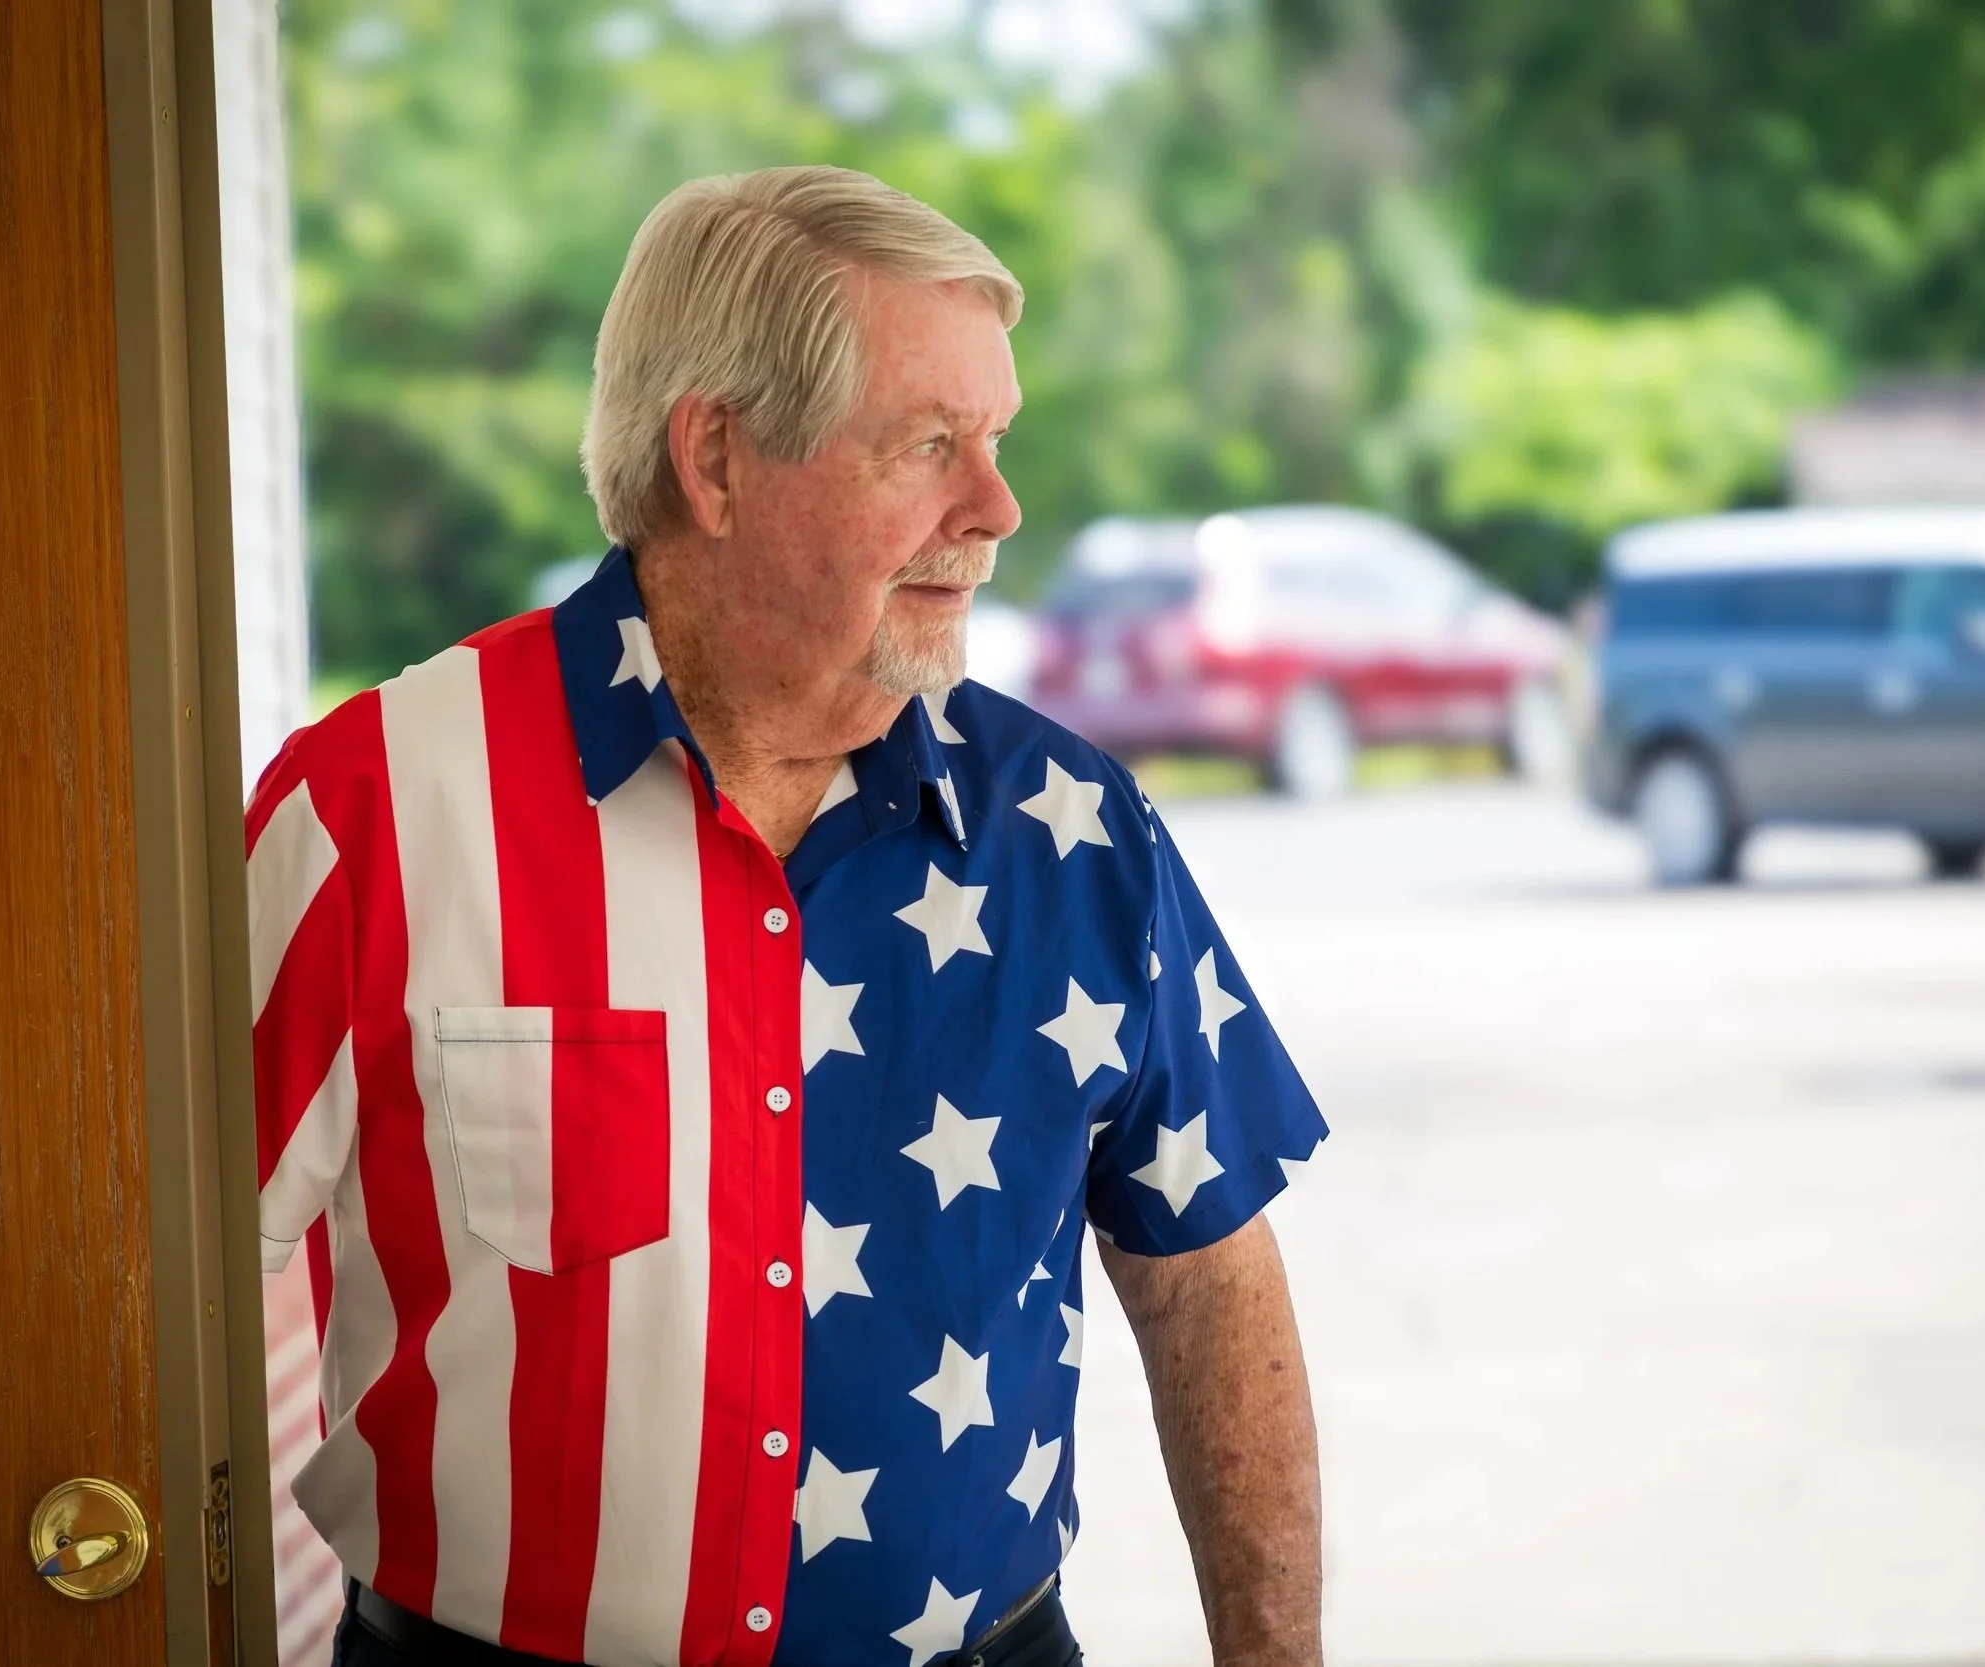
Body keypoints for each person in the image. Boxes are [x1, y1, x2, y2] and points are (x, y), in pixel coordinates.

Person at [247, 165, 1327, 1667]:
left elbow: (1210, 1284)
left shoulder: (1074, 835)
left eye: (996, 440)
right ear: (719, 457)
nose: (997, 509)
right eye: (930, 445)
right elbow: (142, 1283)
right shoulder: (369, 810)